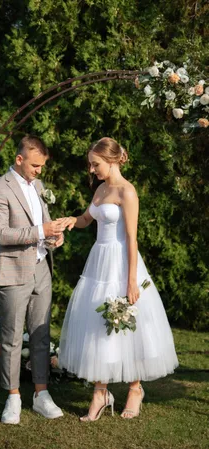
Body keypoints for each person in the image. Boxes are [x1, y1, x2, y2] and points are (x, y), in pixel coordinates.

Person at [58, 137, 179, 421]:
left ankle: (135, 389)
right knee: (98, 323)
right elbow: (88, 219)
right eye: (90, 164)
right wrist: (70, 221)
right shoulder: (100, 189)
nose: (91, 169)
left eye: (95, 163)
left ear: (111, 160)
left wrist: (131, 281)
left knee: (128, 327)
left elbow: (132, 239)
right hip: (98, 262)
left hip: (122, 261)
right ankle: (100, 392)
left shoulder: (127, 192)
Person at [0, 135, 65, 424]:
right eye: (35, 165)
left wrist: (55, 236)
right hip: (14, 271)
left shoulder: (38, 186)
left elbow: (44, 225)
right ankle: (13, 397)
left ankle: (41, 394)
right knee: (12, 338)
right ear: (19, 160)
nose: (39, 171)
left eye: (42, 166)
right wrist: (42, 230)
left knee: (42, 335)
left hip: (42, 269)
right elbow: (0, 235)